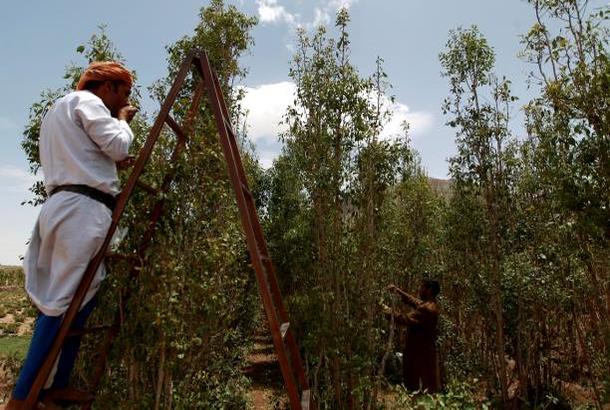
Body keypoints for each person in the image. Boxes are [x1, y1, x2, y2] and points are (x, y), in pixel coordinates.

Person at [5, 61, 137, 410]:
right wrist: (122, 120)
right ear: (106, 87)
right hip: (81, 210)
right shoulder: (89, 102)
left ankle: (55, 386)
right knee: (62, 303)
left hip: (66, 206)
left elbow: (83, 153)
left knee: (81, 300)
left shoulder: (58, 112)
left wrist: (105, 158)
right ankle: (20, 399)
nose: (121, 101)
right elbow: (119, 145)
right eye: (121, 94)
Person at [384, 279, 441, 393]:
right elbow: (415, 301)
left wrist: (388, 311)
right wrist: (398, 291)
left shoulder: (428, 309)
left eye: (422, 287)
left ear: (429, 290)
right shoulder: (430, 304)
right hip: (421, 350)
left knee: (419, 383)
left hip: (420, 352)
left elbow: (405, 319)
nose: (419, 290)